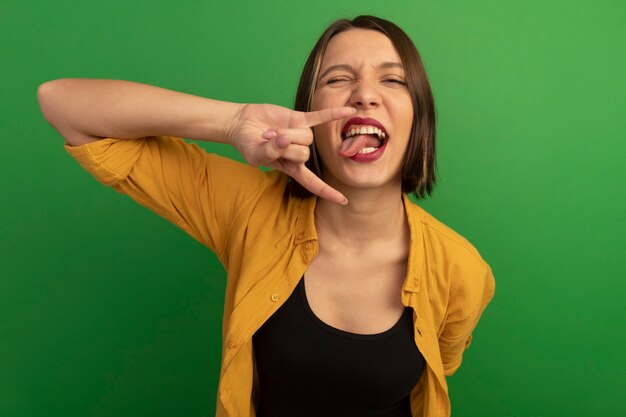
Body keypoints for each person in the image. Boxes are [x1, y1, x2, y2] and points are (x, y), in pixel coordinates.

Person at [38, 15, 495, 417]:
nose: (364, 96)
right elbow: (61, 102)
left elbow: (440, 369)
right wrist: (233, 121)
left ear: (420, 117)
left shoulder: (462, 271)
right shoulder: (250, 209)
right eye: (338, 78)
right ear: (306, 116)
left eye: (392, 80)